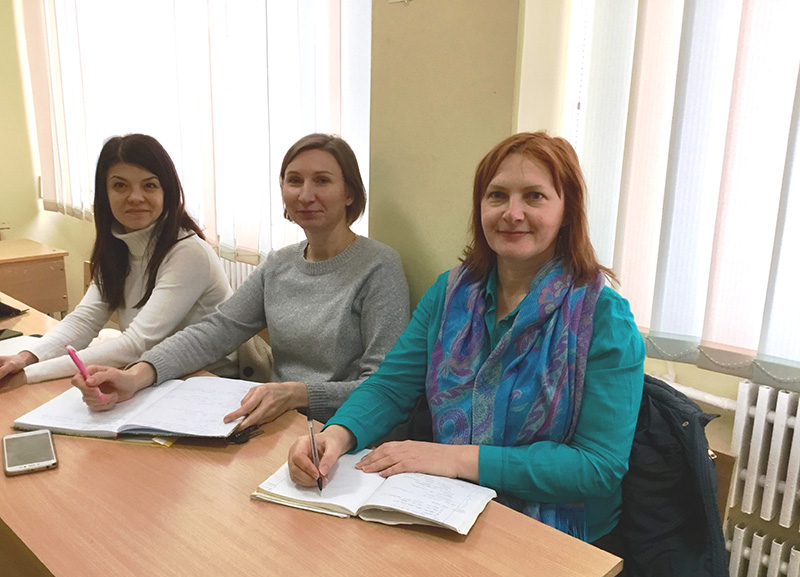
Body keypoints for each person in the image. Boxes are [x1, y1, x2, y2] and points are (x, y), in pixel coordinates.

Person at [288, 132, 645, 552]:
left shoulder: (605, 318)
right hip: (448, 506)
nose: (512, 213)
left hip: (557, 535)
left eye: (534, 197)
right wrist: (337, 435)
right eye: (497, 196)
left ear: (567, 212)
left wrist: (457, 459)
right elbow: (390, 386)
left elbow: (598, 466)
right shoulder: (449, 293)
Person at [72, 133, 411, 426]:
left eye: (322, 181)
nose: (305, 195)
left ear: (349, 193)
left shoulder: (378, 266)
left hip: (348, 431)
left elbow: (384, 385)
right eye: (294, 181)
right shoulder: (278, 265)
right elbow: (215, 331)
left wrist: (299, 394)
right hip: (279, 422)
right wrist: (137, 375)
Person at [0, 134, 236, 388]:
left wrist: (29, 375)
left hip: (206, 383)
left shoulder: (188, 253)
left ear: (167, 192)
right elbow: (84, 320)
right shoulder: (118, 246)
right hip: (152, 375)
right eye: (120, 186)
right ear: (105, 193)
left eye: (149, 185)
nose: (135, 197)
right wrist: (25, 358)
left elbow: (138, 344)